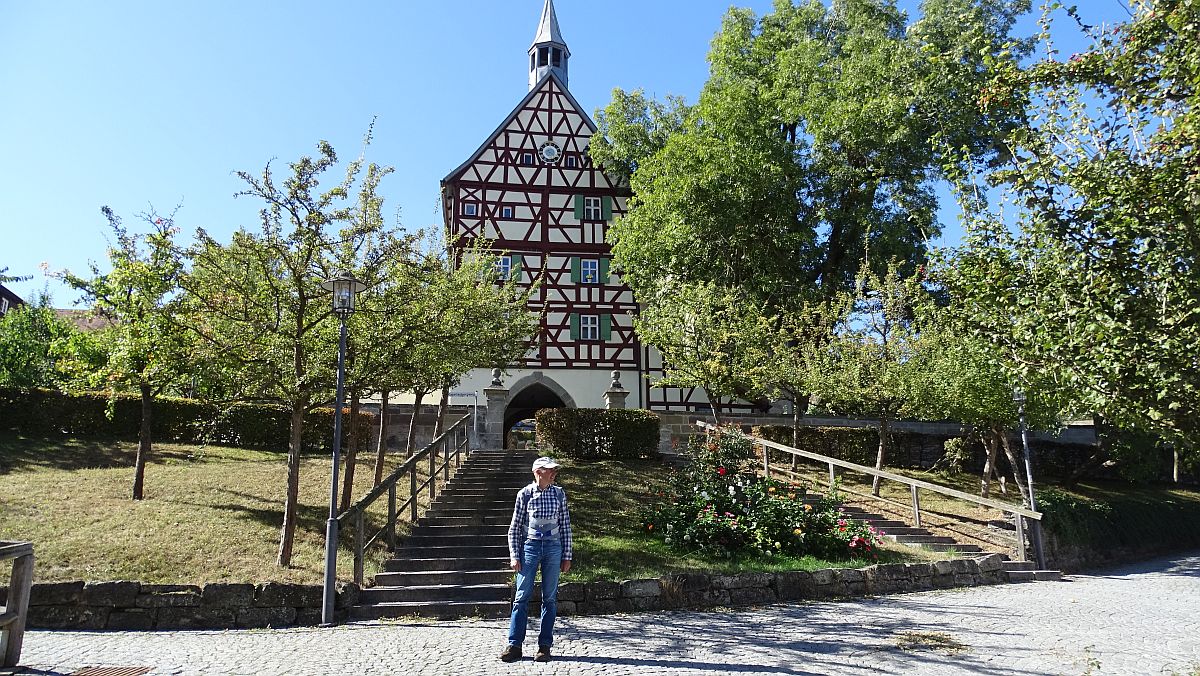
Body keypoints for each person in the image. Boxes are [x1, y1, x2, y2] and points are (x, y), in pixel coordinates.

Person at [500, 456, 573, 663]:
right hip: (529, 547)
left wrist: (567, 555)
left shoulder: (559, 494)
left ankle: (544, 646)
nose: (554, 473)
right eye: (550, 470)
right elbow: (514, 528)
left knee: (549, 598)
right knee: (521, 596)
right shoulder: (524, 494)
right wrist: (514, 555)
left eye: (554, 470)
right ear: (538, 472)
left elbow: (566, 526)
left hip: (553, 547)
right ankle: (514, 645)